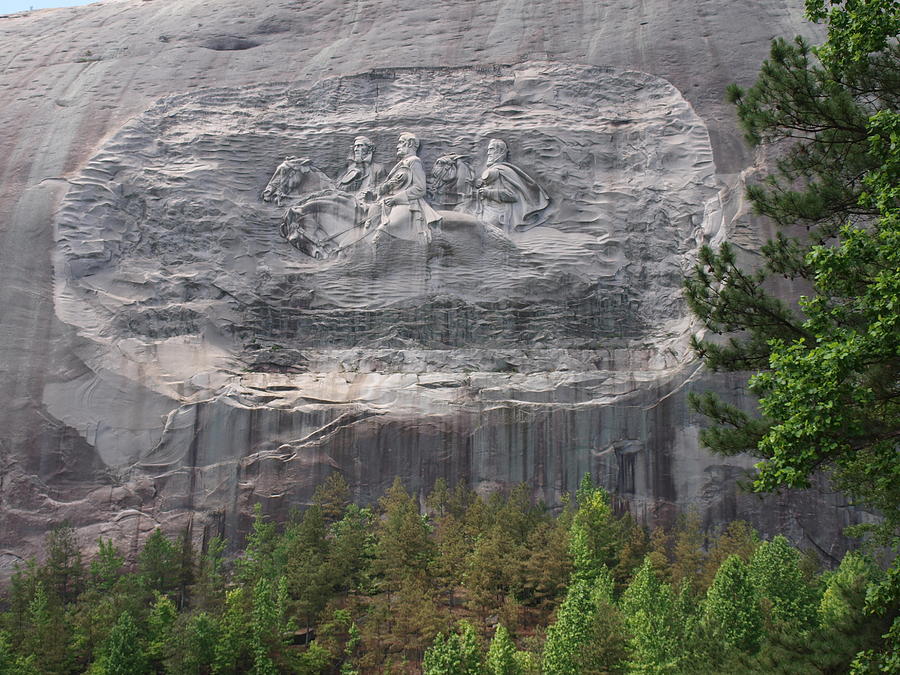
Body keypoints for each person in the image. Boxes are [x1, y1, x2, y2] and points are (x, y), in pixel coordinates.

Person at [365, 132, 441, 240]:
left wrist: (396, 199)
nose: (397, 146)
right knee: (368, 223)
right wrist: (380, 190)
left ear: (410, 144)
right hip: (388, 203)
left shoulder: (414, 161)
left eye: (401, 142)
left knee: (383, 232)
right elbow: (394, 185)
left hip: (408, 204)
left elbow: (420, 189)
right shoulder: (401, 163)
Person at [471, 138, 549, 231]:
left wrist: (488, 193)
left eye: (491, 149)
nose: (488, 153)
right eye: (488, 150)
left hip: (498, 215)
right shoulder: (493, 170)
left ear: (500, 151)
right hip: (484, 211)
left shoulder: (504, 171)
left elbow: (512, 195)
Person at [334, 135, 386, 200]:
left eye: (360, 146)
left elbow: (383, 190)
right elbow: (339, 187)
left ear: (369, 148)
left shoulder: (378, 169)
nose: (356, 149)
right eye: (355, 146)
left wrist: (370, 193)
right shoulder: (350, 168)